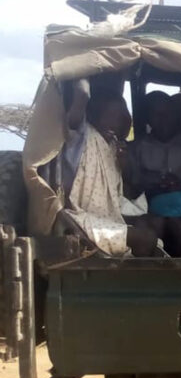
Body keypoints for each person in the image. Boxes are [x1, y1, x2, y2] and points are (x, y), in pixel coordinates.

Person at [61, 83, 159, 257]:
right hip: (79, 220)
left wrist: (125, 166)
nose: (114, 122)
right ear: (92, 115)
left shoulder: (115, 147)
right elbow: (81, 96)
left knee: (152, 232)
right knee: (146, 238)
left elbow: (124, 193)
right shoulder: (80, 137)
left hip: (106, 218)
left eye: (119, 117)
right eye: (108, 115)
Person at [131, 91, 181, 257]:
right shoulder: (138, 147)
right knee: (164, 227)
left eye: (168, 114)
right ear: (148, 118)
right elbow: (133, 183)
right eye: (157, 114)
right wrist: (156, 184)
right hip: (151, 207)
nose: (163, 119)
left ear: (175, 116)